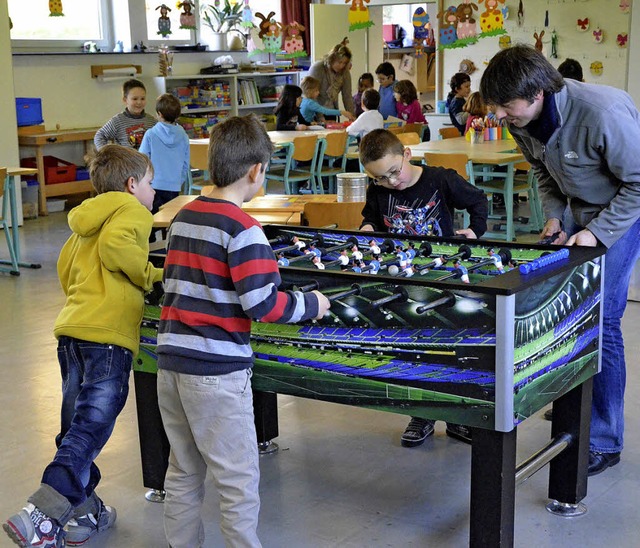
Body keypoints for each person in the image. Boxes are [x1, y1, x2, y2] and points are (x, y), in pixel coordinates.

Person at [156, 114, 331, 548]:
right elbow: (264, 305)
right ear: (256, 171)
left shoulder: (183, 215)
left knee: (183, 469)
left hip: (171, 364)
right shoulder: (245, 229)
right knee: (237, 480)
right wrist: (313, 304)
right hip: (216, 373)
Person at [480, 44, 640, 477]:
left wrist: (598, 232)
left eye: (505, 106)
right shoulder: (521, 119)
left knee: (602, 317)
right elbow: (543, 172)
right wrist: (554, 216)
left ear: (536, 93)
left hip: (624, 211)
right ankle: (573, 401)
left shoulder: (600, 112)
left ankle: (604, 438)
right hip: (579, 206)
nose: (499, 115)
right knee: (562, 308)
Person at [3, 145, 162, 548]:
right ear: (131, 185)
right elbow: (118, 251)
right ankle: (42, 513)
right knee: (91, 427)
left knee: (74, 428)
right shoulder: (133, 212)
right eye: (149, 183)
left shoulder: (84, 222)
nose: (153, 192)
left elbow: (65, 268)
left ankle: (86, 510)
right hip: (107, 341)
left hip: (72, 333)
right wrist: (152, 275)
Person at [359, 128, 488, 447]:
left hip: (443, 280)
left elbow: (478, 201)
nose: (390, 183)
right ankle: (422, 412)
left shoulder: (440, 180)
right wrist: (367, 228)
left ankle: (457, 417)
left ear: (407, 154)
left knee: (451, 350)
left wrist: (474, 230)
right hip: (402, 282)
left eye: (393, 172)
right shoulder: (378, 188)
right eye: (380, 179)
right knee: (413, 352)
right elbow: (371, 219)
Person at [139, 93, 190, 241]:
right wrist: (178, 180)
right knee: (170, 218)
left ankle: (151, 246)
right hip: (174, 185)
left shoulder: (150, 134)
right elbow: (186, 163)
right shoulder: (184, 136)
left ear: (159, 114)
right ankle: (169, 245)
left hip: (153, 185)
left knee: (151, 218)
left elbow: (142, 159)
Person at [94, 78, 157, 150]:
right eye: (135, 99)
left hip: (147, 160)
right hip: (125, 160)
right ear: (125, 100)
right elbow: (99, 136)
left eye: (142, 98)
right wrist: (106, 155)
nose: (139, 102)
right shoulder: (117, 121)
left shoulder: (152, 121)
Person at [308, 38, 355, 120]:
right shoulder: (318, 68)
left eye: (344, 63)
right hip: (314, 111)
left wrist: (352, 117)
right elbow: (310, 94)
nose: (341, 66)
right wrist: (320, 117)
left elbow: (347, 96)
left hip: (331, 111)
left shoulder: (345, 72)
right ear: (332, 58)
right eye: (339, 62)